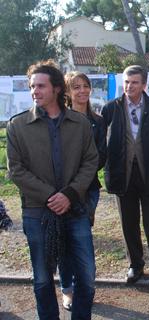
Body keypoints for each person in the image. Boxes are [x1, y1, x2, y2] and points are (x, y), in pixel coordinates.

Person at [6, 60, 98, 320]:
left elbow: (90, 161)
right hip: (37, 212)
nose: (35, 91)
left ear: (57, 88)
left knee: (87, 276)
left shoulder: (79, 124)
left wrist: (69, 194)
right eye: (32, 86)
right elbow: (16, 170)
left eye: (41, 86)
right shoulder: (17, 126)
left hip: (75, 209)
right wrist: (50, 196)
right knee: (43, 279)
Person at [101, 65, 149, 295]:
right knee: (129, 223)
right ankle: (135, 265)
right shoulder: (111, 108)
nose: (129, 86)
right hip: (122, 175)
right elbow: (102, 140)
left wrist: (147, 155)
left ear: (144, 84)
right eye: (126, 82)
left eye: (134, 82)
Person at [58, 71, 107, 311]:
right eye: (76, 87)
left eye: (85, 86)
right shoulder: (59, 119)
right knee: (66, 242)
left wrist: (80, 174)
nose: (82, 91)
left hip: (88, 191)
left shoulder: (98, 121)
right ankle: (68, 289)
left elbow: (100, 157)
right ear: (67, 92)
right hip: (61, 191)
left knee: (81, 239)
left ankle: (84, 287)